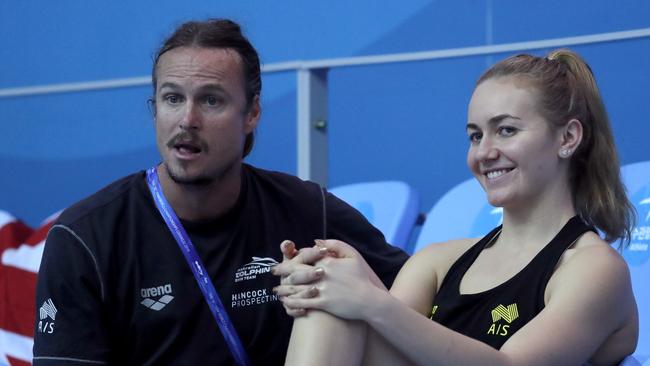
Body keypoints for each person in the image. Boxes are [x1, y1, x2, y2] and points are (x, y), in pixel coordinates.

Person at [32, 18, 409, 365]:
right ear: (155, 109)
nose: (187, 120)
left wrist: (362, 297)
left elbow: (423, 303)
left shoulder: (308, 209)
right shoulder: (86, 238)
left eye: (211, 100)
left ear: (252, 114)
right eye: (172, 98)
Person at [274, 49, 639, 365]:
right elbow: (385, 339)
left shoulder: (594, 270)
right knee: (328, 295)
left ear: (568, 137)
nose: (485, 152)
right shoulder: (437, 263)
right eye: (476, 136)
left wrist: (369, 299)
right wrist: (339, 278)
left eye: (507, 130)